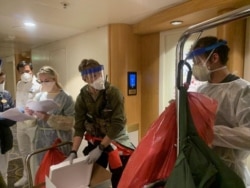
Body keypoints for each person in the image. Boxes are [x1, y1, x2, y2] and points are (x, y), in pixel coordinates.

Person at [188, 36, 250, 186]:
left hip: (229, 171)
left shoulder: (242, 90)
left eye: (197, 61)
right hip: (204, 168)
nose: (195, 66)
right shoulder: (202, 89)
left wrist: (210, 133)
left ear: (214, 57)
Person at [65, 59, 135, 188]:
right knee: (93, 177)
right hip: (96, 139)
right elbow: (79, 126)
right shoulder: (82, 97)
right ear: (85, 79)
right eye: (93, 76)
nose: (98, 78)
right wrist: (73, 152)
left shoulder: (113, 92)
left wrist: (101, 147)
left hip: (116, 140)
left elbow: (118, 123)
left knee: (120, 177)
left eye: (99, 74)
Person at [26, 65, 75, 166]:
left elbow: (71, 121)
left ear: (55, 79)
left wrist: (48, 117)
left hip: (59, 141)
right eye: (41, 81)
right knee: (43, 169)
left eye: (47, 80)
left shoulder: (66, 97)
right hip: (40, 141)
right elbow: (32, 121)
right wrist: (31, 114)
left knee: (59, 171)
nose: (44, 83)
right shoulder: (39, 96)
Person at [14, 61, 40, 187]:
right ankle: (26, 176)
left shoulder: (38, 84)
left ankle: (34, 179)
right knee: (23, 151)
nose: (25, 74)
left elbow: (41, 104)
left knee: (33, 153)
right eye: (22, 72)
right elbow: (19, 101)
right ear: (18, 72)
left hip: (32, 124)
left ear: (32, 71)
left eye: (27, 71)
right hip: (20, 123)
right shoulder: (19, 84)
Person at [0, 71, 16, 185]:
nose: (1, 84)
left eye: (2, 81)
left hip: (4, 137)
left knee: (3, 171)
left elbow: (13, 117)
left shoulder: (6, 94)